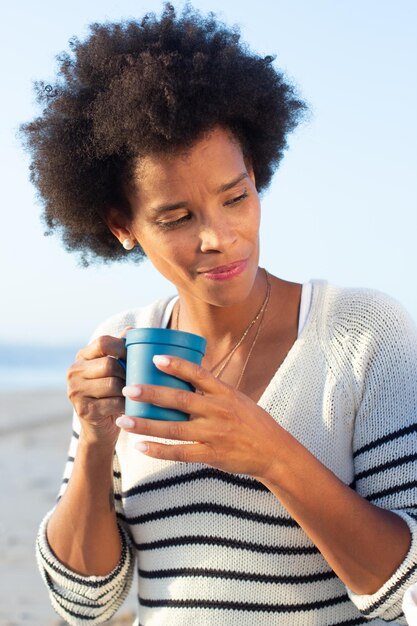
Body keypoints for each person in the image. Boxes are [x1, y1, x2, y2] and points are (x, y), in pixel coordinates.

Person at [20, 4, 417, 625]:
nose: (221, 237)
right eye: (176, 218)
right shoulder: (119, 345)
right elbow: (84, 603)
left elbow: (406, 588)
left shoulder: (363, 333)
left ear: (257, 173)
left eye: (236, 197)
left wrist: (270, 454)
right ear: (122, 226)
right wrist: (98, 441)